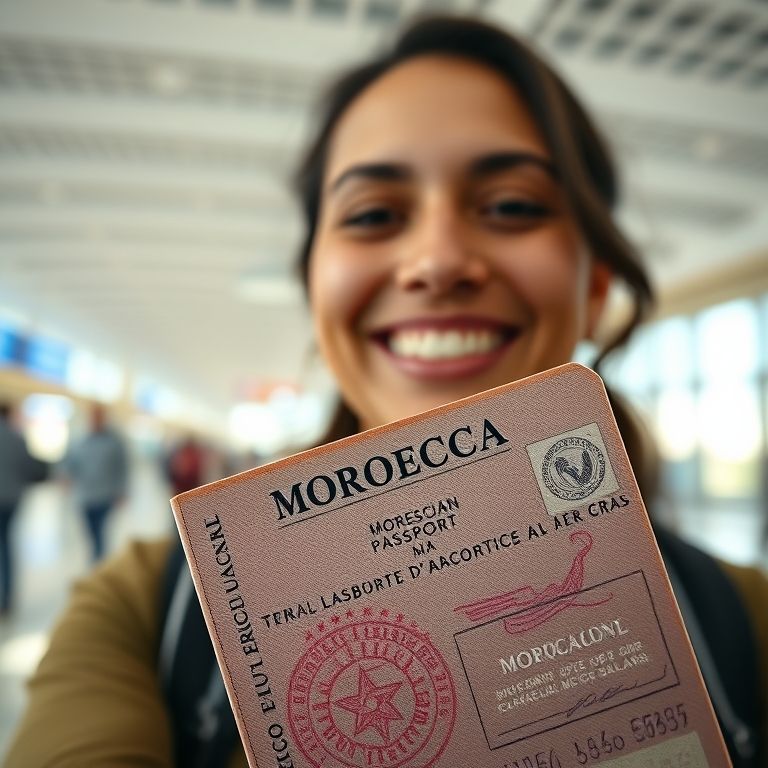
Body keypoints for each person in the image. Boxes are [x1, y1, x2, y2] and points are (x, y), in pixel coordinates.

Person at [5, 15, 766, 768]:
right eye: (373, 215)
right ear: (312, 288)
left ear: (595, 287)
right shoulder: (144, 608)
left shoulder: (746, 623)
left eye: (512, 206)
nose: (436, 261)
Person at [60, 404, 128, 561]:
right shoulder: (80, 441)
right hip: (84, 495)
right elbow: (70, 463)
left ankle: (97, 561)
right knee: (90, 532)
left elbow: (122, 468)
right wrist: (65, 476)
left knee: (99, 532)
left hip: (105, 495)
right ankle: (96, 558)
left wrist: (121, 491)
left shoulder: (114, 442)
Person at [0, 402, 45, 617]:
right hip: (11, 500)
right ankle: (7, 600)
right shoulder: (18, 439)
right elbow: (30, 469)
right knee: (6, 546)